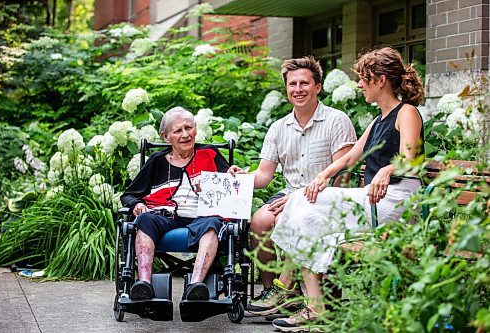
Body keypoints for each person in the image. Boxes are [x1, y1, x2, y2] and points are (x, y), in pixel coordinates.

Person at [269, 46, 425, 331]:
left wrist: (389, 169)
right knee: (304, 205)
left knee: (305, 207)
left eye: (364, 78)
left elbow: (410, 158)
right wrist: (322, 177)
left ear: (380, 79)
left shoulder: (407, 113)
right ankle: (314, 305)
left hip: (397, 199)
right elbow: (351, 157)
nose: (360, 84)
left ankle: (293, 290)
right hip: (374, 198)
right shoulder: (379, 119)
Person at [228, 56, 357, 315]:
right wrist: (242, 176)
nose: (298, 89)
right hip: (289, 193)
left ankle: (289, 290)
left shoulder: (336, 120)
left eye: (304, 83)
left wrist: (303, 197)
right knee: (259, 222)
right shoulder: (278, 127)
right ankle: (272, 291)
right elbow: (264, 175)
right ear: (287, 88)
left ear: (318, 87)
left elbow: (342, 175)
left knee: (290, 216)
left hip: (326, 194)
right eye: (292, 84)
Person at [120, 106, 229, 301]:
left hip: (203, 218)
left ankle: (196, 287)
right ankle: (144, 284)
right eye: (178, 130)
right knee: (144, 219)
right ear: (166, 136)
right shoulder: (157, 161)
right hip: (164, 217)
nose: (185, 134)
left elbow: (230, 188)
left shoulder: (210, 154)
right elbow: (128, 195)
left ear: (196, 129)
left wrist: (230, 176)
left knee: (213, 224)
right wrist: (136, 204)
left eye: (189, 128)